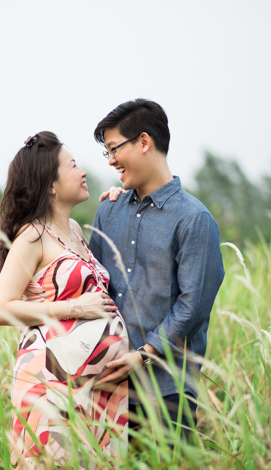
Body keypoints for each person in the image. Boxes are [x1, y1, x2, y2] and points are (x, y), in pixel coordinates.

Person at [0, 131, 130, 469]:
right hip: (51, 385)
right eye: (74, 166)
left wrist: (122, 205)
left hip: (97, 391)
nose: (83, 173)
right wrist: (76, 308)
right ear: (51, 185)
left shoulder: (77, 230)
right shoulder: (33, 235)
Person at [88, 99, 225, 442]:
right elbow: (92, 283)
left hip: (167, 391)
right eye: (107, 152)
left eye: (115, 148)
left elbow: (192, 308)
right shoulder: (109, 211)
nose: (111, 160)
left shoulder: (194, 220)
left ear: (144, 142)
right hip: (106, 387)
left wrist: (143, 357)